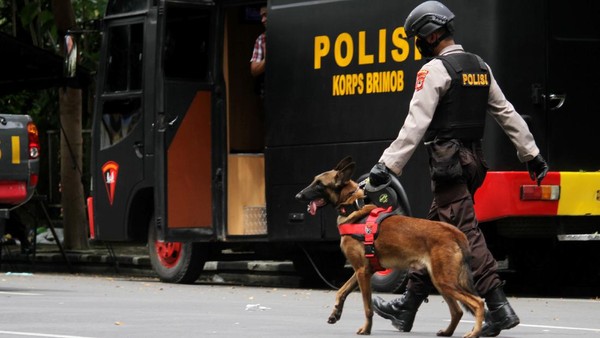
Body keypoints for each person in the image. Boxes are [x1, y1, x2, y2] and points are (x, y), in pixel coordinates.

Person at [366, 1, 548, 337]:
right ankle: (407, 307)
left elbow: (415, 125)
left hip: (448, 164)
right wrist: (532, 154)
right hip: (474, 162)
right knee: (433, 231)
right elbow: (506, 113)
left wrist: (386, 166)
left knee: (466, 234)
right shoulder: (480, 66)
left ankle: (499, 306)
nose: (418, 44)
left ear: (432, 34)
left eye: (419, 38)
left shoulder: (435, 71)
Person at [250, 5, 267, 98]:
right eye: (261, 16)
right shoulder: (261, 39)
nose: (262, 20)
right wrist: (266, 60)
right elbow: (254, 70)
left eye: (266, 15)